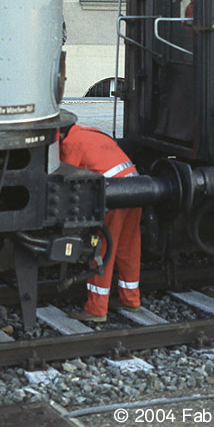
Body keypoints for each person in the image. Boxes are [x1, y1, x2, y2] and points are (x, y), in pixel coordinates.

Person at [59, 124, 141, 323]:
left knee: (102, 248)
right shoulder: (90, 132)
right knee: (128, 246)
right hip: (137, 187)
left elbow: (65, 180)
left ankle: (96, 309)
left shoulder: (70, 143)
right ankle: (130, 299)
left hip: (114, 194)